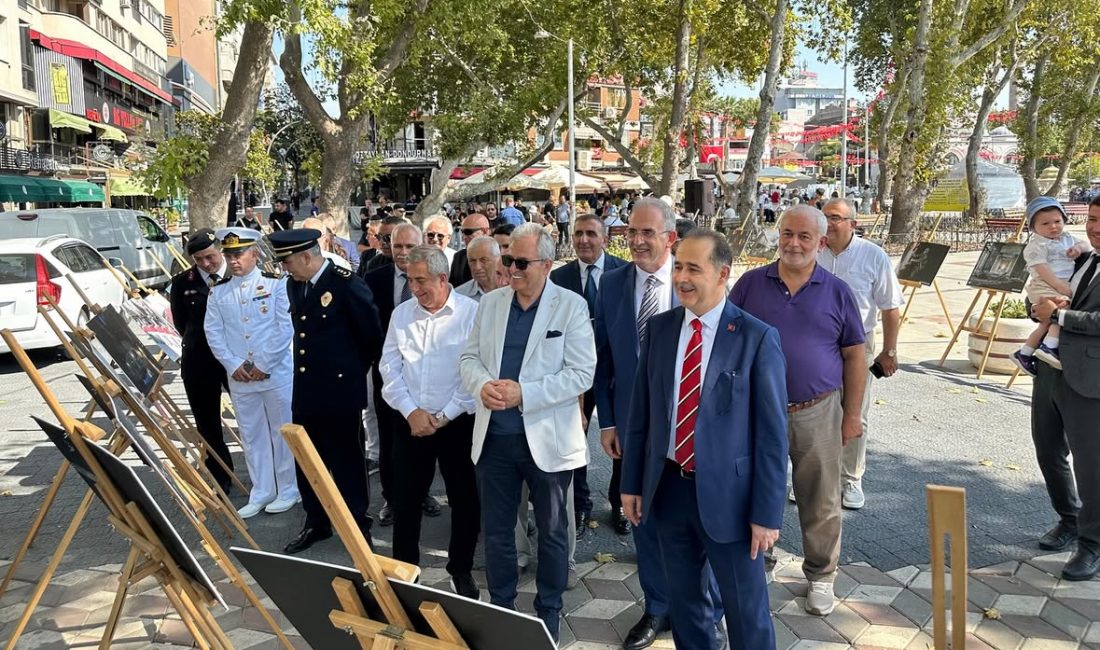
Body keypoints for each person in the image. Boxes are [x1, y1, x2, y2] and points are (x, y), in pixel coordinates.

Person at [622, 230, 788, 649]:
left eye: (694, 269)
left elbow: (772, 438)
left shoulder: (756, 337)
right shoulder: (660, 329)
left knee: (746, 610)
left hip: (732, 500)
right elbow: (641, 415)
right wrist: (631, 483)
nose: (682, 277)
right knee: (686, 606)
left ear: (722, 274)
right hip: (669, 490)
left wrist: (767, 514)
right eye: (678, 266)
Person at [595, 197, 722, 649]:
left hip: (691, 427)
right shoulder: (612, 283)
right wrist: (608, 421)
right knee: (642, 518)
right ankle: (657, 606)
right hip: (636, 429)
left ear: (670, 237)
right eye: (631, 231)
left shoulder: (691, 281)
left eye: (647, 232)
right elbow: (604, 358)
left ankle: (706, 612)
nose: (637, 240)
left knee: (703, 523)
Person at [459, 223, 595, 642]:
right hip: (494, 439)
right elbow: (468, 358)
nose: (511, 269)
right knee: (498, 533)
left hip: (548, 441)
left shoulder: (570, 306)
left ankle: (548, 611)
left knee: (552, 533)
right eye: (508, 260)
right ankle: (503, 609)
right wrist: (482, 385)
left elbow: (582, 373)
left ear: (547, 264)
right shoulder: (492, 303)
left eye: (521, 262)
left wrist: (525, 393)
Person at [729, 205, 866, 616]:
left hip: (817, 410)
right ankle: (760, 560)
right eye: (787, 233)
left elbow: (855, 356)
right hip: (756, 411)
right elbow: (727, 342)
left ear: (820, 243)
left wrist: (851, 415)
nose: (793, 243)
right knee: (755, 489)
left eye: (804, 236)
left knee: (820, 498)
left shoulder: (837, 291)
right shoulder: (750, 285)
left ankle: (821, 575)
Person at [269, 228, 384, 554]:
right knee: (308, 459)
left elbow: (371, 337)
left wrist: (348, 374)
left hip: (340, 391)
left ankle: (357, 525)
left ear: (307, 256)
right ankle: (316, 522)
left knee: (347, 462)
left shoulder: (346, 284)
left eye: (288, 262)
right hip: (306, 389)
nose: (285, 269)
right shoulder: (295, 284)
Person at [380, 246, 481, 598]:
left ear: (442, 278)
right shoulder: (402, 314)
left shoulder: (472, 313)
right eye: (410, 280)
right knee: (405, 500)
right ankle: (405, 573)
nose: (414, 288)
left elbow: (476, 371)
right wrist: (411, 411)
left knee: (464, 499)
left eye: (421, 280)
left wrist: (444, 415)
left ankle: (461, 569)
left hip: (457, 423)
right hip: (411, 422)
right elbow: (389, 368)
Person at [204, 227, 300, 519]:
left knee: (282, 431)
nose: (234, 260)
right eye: (229, 255)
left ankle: (289, 488)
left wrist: (263, 364)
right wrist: (233, 364)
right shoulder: (219, 291)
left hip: (275, 373)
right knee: (251, 433)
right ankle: (262, 490)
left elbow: (284, 327)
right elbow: (213, 332)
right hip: (241, 377)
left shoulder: (276, 284)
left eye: (239, 254)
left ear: (254, 254)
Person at [1029, 195, 1100, 581]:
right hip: (1050, 367)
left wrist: (1059, 314)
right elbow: (1047, 292)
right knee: (1048, 448)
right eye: (1091, 218)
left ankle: (1092, 543)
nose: (1094, 228)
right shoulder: (1081, 256)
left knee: (1090, 464)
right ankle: (1069, 519)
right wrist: (1040, 309)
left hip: (1090, 379)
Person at [819, 198, 904, 510]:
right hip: (817, 341)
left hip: (858, 342)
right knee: (814, 411)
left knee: (855, 411)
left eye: (835, 217)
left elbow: (890, 308)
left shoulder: (873, 256)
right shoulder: (812, 251)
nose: (828, 223)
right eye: (824, 216)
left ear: (853, 224)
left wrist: (889, 350)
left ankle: (851, 478)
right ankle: (818, 478)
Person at [550, 213, 627, 538]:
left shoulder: (624, 273)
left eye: (591, 234)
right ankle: (580, 503)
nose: (583, 240)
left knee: (621, 438)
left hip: (615, 372)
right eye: (578, 233)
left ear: (605, 238)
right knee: (574, 439)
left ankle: (619, 501)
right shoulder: (559, 277)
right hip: (573, 373)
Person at [364, 224, 441, 524]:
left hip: (427, 375)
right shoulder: (374, 278)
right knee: (389, 438)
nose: (403, 252)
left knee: (426, 436)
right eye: (398, 246)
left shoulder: (435, 277)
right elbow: (366, 324)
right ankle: (391, 497)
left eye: (410, 246)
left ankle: (422, 493)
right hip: (389, 375)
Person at [169, 229, 233, 493]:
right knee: (207, 422)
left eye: (210, 257)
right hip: (199, 360)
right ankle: (221, 476)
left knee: (252, 418)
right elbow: (181, 324)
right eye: (199, 260)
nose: (206, 264)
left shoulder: (238, 275)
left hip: (236, 359)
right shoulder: (183, 283)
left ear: (220, 251)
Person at [1013, 197, 1091, 375]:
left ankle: (1024, 353)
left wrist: (1078, 249)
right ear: (1033, 228)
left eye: (1057, 221)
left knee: (1046, 323)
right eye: (1045, 224)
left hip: (1059, 284)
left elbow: (1085, 244)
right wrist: (1059, 286)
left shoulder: (1067, 238)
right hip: (1045, 284)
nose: (1053, 227)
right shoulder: (1037, 244)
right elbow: (1041, 269)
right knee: (1063, 308)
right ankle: (1050, 346)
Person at [456, 236, 507, 301]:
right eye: (472, 261)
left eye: (484, 260)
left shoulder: (512, 291)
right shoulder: (459, 296)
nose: (477, 267)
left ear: (498, 259)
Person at [449, 213, 492, 287]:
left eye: (468, 232)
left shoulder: (499, 258)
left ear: (485, 232)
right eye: (462, 232)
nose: (464, 237)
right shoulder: (459, 257)